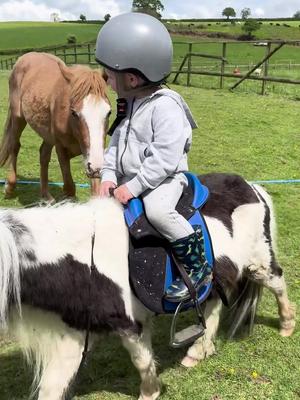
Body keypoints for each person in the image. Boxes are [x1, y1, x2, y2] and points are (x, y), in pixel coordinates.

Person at [95, 12, 211, 301]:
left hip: (163, 180)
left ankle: (197, 266)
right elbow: (116, 143)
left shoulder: (166, 108)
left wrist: (132, 188)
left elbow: (164, 159)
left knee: (158, 211)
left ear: (132, 78)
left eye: (109, 75)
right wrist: (109, 176)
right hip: (129, 177)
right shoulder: (129, 104)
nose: (106, 80)